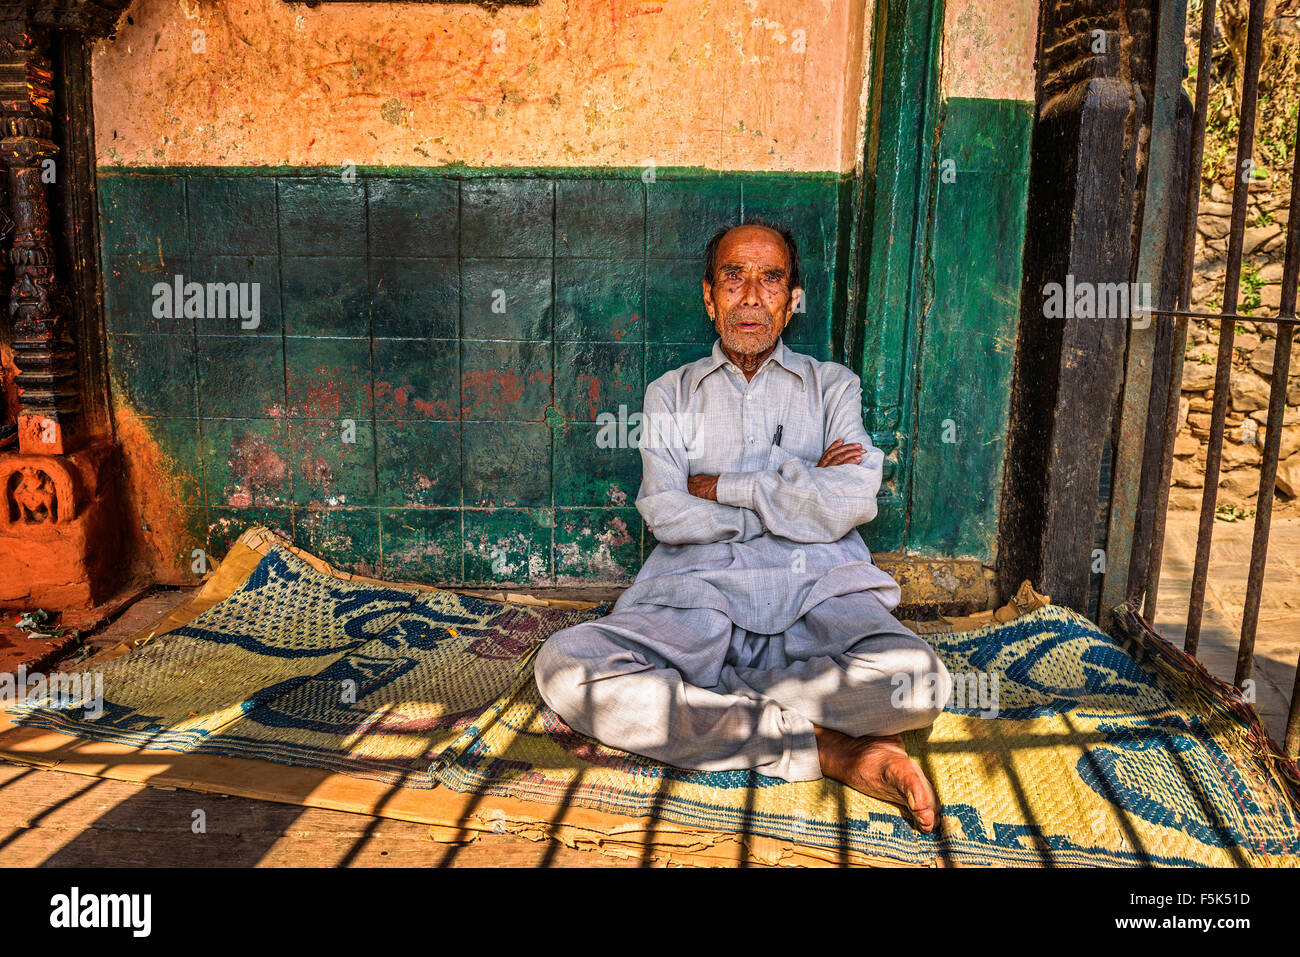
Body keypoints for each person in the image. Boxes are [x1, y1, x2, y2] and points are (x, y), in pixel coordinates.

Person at [534, 219, 952, 832]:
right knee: (565, 668)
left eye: (771, 279)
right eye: (734, 277)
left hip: (820, 591)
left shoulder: (833, 387)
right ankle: (828, 746)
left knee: (920, 684)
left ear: (791, 301)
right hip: (695, 592)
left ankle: (718, 710)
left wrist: (729, 489)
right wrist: (798, 485)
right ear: (709, 297)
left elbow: (853, 500)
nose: (751, 296)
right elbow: (666, 510)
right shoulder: (670, 394)